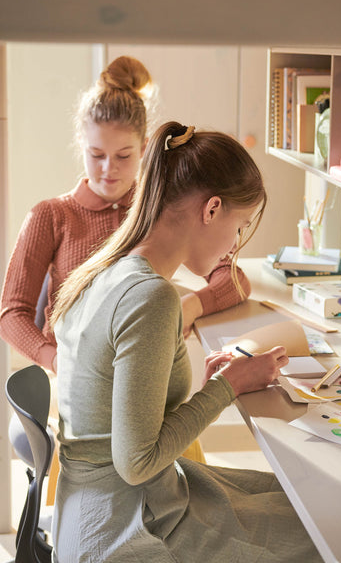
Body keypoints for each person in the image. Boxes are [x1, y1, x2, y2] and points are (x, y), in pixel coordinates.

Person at [50, 122, 322, 562]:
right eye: (239, 227)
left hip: (95, 508)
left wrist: (213, 389)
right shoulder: (151, 297)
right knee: (321, 532)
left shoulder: (110, 267)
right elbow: (136, 461)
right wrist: (226, 388)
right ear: (211, 209)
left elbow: (122, 421)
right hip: (124, 524)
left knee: (303, 506)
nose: (233, 247)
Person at [0, 55, 249, 467]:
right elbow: (11, 312)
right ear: (81, 147)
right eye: (95, 155)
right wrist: (55, 358)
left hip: (148, 386)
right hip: (84, 393)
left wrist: (187, 306)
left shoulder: (160, 212)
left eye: (124, 156)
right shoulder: (51, 216)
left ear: (145, 149)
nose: (108, 170)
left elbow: (232, 275)